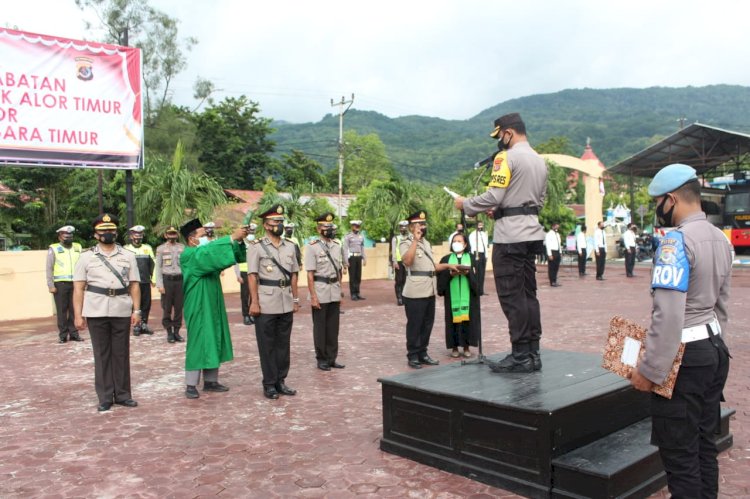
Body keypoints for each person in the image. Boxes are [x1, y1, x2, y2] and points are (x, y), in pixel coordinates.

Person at [628, 163, 731, 498]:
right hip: (714, 349)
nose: (658, 209)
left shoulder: (675, 242)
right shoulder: (719, 238)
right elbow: (721, 305)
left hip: (684, 359)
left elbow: (669, 314)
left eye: (658, 202)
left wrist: (651, 370)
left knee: (680, 454)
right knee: (704, 445)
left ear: (670, 200)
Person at [454, 112, 547, 373]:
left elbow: (495, 195)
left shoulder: (505, 158)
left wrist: (467, 205)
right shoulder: (540, 160)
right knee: (529, 295)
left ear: (508, 132)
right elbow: (538, 199)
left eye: (501, 136)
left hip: (510, 238)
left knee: (512, 296)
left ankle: (519, 355)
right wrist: (505, 208)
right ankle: (533, 353)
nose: (500, 141)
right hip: (532, 233)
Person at [72, 213, 140, 412]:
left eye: (111, 230)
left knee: (121, 353)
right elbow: (78, 288)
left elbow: (135, 285)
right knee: (102, 354)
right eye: (103, 231)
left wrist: (137, 310)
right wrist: (78, 315)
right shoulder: (86, 257)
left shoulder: (128, 256)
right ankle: (104, 396)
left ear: (116, 232)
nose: (107, 234)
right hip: (96, 309)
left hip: (121, 307)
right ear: (95, 235)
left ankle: (123, 394)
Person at [180, 218, 247, 399]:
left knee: (214, 335)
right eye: (202, 235)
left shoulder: (203, 251)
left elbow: (224, 258)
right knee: (198, 341)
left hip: (212, 300)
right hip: (198, 303)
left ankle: (211, 381)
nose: (207, 238)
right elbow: (209, 255)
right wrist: (231, 237)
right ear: (191, 239)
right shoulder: (188, 255)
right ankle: (191, 384)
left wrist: (238, 241)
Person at [248, 205, 300, 400]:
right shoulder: (256, 247)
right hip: (266, 301)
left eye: (280, 221)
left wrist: (295, 299)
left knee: (283, 344)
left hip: (285, 300)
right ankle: (269, 383)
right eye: (275, 222)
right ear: (266, 225)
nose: (279, 225)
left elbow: (294, 275)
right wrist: (254, 302)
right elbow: (252, 276)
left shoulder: (290, 246)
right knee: (267, 344)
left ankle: (281, 381)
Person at [399, 210, 459, 369]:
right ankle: (413, 355)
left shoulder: (426, 243)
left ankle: (423, 352)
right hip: (415, 291)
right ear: (412, 227)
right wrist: (415, 241)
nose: (423, 227)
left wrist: (447, 266)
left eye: (424, 224)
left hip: (429, 289)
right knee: (415, 324)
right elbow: (408, 261)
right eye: (420, 224)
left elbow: (432, 266)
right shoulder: (405, 242)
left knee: (427, 324)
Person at [305, 212, 345, 371]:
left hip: (334, 290)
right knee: (320, 327)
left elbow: (339, 270)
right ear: (319, 228)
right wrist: (313, 296)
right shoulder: (312, 247)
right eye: (326, 226)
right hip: (320, 290)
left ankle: (331, 358)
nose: (330, 229)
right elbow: (309, 274)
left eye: (331, 226)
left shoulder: (337, 245)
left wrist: (340, 291)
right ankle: (321, 358)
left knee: (333, 327)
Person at [437, 233, 481, 358]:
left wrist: (468, 274)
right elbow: (440, 283)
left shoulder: (472, 259)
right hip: (452, 297)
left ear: (465, 244)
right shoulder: (446, 260)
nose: (456, 243)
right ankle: (455, 347)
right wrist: (449, 275)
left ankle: (466, 347)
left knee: (467, 320)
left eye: (459, 241)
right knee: (453, 321)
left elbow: (478, 281)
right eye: (454, 241)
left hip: (469, 298)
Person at [46, 225, 83, 343]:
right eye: (66, 236)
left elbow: (83, 265)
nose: (68, 237)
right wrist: (50, 284)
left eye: (70, 235)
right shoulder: (54, 248)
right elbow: (49, 268)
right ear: (60, 237)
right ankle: (62, 335)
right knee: (62, 310)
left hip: (76, 283)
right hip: (60, 284)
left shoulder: (78, 247)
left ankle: (74, 333)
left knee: (74, 309)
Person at [155, 226, 185, 343]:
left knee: (178, 308)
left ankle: (176, 332)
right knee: (167, 308)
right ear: (166, 235)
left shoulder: (182, 248)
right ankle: (169, 332)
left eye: (174, 233)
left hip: (179, 281)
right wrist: (160, 285)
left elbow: (186, 266)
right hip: (167, 281)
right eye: (170, 233)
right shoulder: (161, 249)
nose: (172, 235)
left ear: (177, 235)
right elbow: (158, 268)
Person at [124, 225, 155, 336]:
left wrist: (153, 278)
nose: (138, 237)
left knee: (146, 304)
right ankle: (136, 326)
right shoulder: (126, 248)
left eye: (140, 235)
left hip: (145, 281)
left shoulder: (147, 248)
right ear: (131, 236)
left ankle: (144, 325)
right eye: (135, 235)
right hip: (132, 283)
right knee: (135, 305)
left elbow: (153, 264)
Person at [234, 223, 257, 326]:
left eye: (253, 231)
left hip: (255, 272)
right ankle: (246, 315)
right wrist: (238, 275)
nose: (251, 233)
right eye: (249, 231)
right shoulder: (240, 243)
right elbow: (236, 261)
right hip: (244, 272)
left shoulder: (257, 243)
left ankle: (252, 314)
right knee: (245, 295)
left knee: (254, 294)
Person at [343, 220, 366, 300]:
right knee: (352, 277)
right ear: (352, 227)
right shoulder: (348, 236)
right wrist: (346, 261)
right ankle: (353, 294)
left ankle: (357, 293)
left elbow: (362, 247)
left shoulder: (361, 236)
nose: (357, 228)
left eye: (358, 226)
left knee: (358, 276)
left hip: (358, 257)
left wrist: (364, 258)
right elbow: (345, 249)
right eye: (356, 226)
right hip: (351, 258)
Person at [468, 221, 489, 295]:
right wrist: (473, 256)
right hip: (476, 254)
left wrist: (486, 255)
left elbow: (486, 246)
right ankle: (476, 290)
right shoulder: (473, 234)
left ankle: (481, 290)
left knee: (482, 273)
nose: (481, 226)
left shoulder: (483, 234)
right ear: (476, 226)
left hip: (483, 254)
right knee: (477, 272)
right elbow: (471, 246)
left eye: (482, 225)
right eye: (479, 225)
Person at [391, 220, 409, 306]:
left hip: (407, 261)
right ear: (399, 228)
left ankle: (404, 297)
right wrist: (394, 261)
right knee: (399, 280)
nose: (404, 228)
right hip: (399, 261)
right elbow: (394, 250)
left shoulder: (410, 237)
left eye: (405, 227)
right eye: (402, 227)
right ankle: (399, 298)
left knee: (406, 280)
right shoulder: (396, 238)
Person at [545, 223, 562, 287]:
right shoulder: (549, 234)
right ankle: (552, 281)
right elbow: (548, 245)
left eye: (558, 226)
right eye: (556, 226)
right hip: (552, 252)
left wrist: (560, 252)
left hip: (557, 252)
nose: (557, 227)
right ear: (553, 226)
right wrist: (549, 254)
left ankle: (555, 280)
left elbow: (559, 244)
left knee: (556, 267)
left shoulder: (557, 234)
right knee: (551, 267)